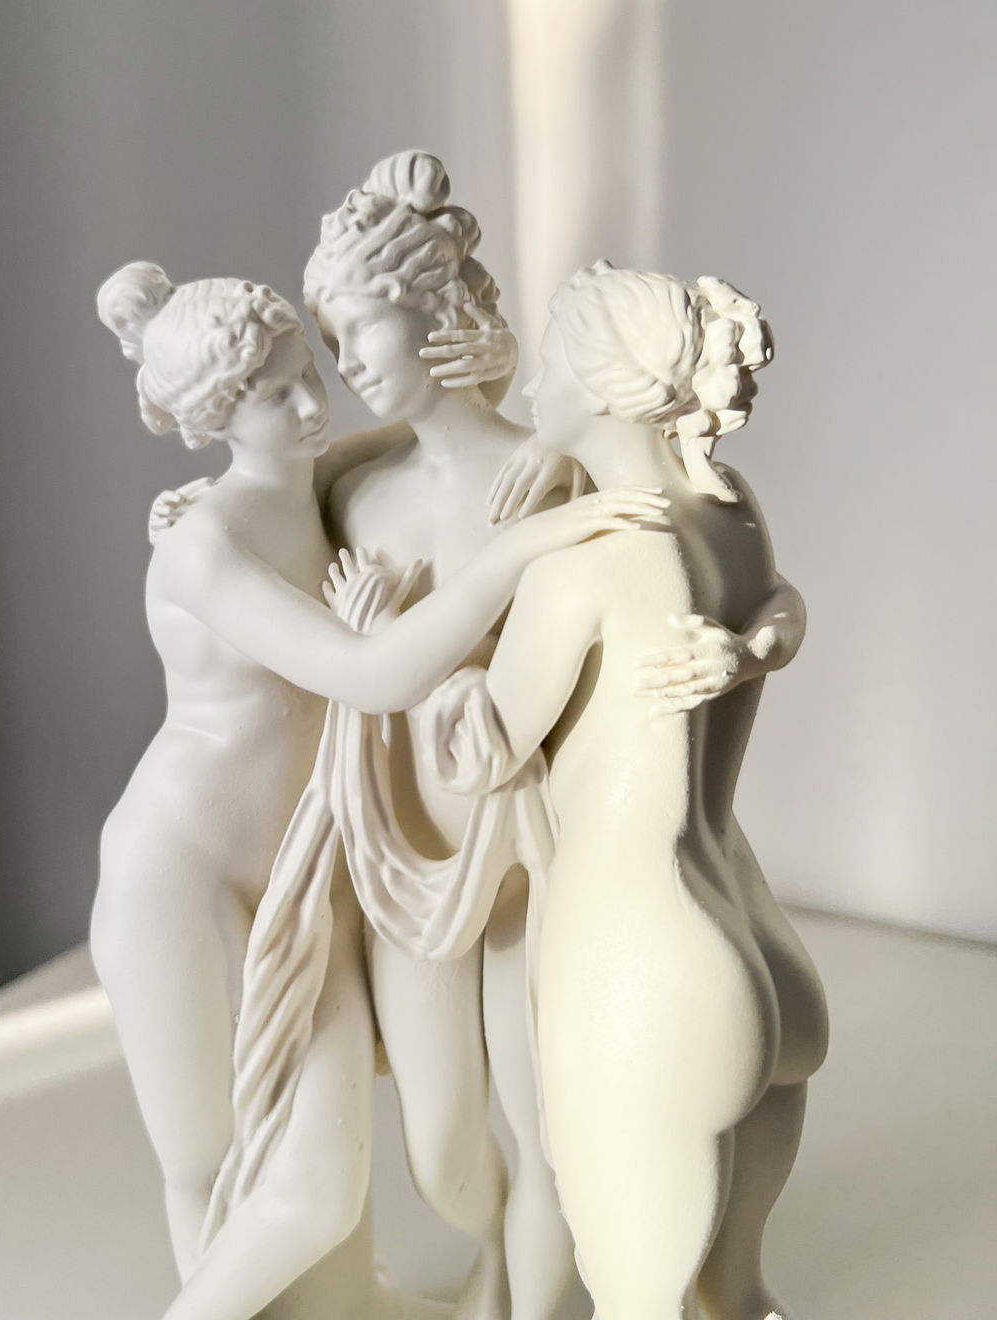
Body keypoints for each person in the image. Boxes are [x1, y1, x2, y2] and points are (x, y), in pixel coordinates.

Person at [90, 265, 662, 1320]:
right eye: (275, 394)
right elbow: (370, 672)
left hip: (304, 881)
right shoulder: (204, 545)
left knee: (325, 1182)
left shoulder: (316, 483)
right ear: (213, 419)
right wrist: (522, 548)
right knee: (211, 1163)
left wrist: (538, 427)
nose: (313, 403)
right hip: (179, 872)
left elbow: (421, 438)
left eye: (308, 372)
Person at [302, 154, 808, 1320]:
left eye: (362, 328)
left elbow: (497, 729)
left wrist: (410, 656)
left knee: (574, 1163)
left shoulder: (576, 510)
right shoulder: (714, 506)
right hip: (483, 861)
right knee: (456, 1150)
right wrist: (219, 498)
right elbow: (768, 596)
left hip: (561, 873)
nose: (347, 364)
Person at [424, 262, 830, 1320]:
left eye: (551, 360)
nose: (533, 382)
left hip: (637, 954)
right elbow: (785, 608)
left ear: (605, 384)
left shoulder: (586, 564)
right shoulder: (729, 508)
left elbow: (482, 754)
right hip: (748, 921)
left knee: (639, 1300)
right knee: (737, 1295)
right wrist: (748, 652)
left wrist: (442, 668)